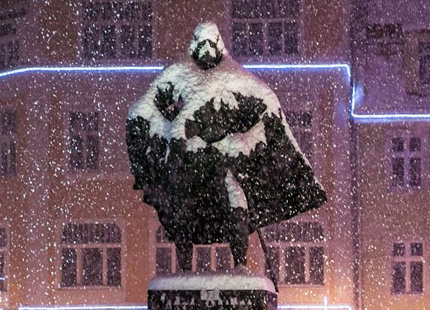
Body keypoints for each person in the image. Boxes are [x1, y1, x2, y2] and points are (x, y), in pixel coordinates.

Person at [126, 22, 326, 272]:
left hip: (224, 161)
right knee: (181, 212)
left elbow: (269, 107)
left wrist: (244, 143)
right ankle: (186, 270)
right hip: (190, 164)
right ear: (194, 45)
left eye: (212, 42)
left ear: (219, 45)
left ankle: (240, 267)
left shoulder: (235, 77)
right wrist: (168, 134)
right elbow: (143, 109)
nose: (207, 48)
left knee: (237, 206)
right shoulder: (178, 75)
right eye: (202, 43)